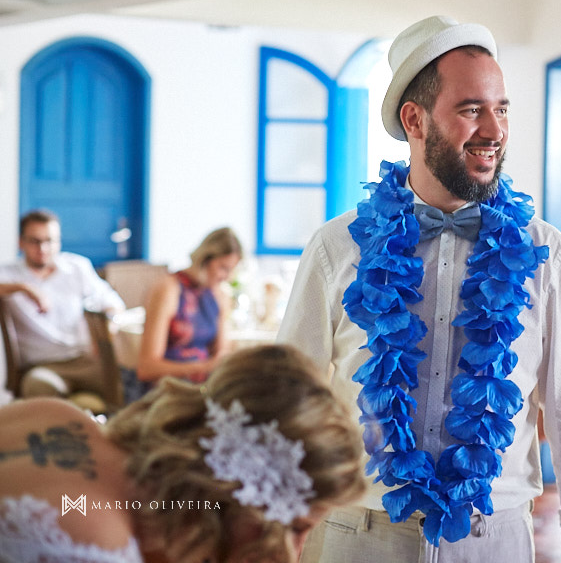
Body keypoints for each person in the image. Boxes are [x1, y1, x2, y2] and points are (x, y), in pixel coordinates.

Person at [279, 15, 561, 563]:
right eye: (471, 109)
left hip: (493, 539)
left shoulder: (544, 253)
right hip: (357, 535)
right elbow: (289, 404)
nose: (495, 130)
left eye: (501, 108)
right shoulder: (336, 248)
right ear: (415, 119)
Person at [0, 343, 366, 563]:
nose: (293, 553)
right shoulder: (96, 544)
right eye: (297, 528)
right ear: (237, 487)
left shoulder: (56, 416)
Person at [0, 209, 125, 401]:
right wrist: (25, 288)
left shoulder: (76, 267)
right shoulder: (9, 274)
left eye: (49, 241)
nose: (43, 248)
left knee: (130, 381)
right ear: (21, 242)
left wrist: (109, 325)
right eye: (35, 241)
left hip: (85, 360)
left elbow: (112, 302)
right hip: (42, 367)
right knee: (39, 386)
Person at [134, 227, 242, 394]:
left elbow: (221, 352)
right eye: (223, 268)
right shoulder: (168, 289)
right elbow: (147, 368)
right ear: (205, 259)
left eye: (231, 270)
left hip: (201, 388)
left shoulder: (218, 295)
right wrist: (205, 366)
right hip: (167, 390)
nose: (227, 277)